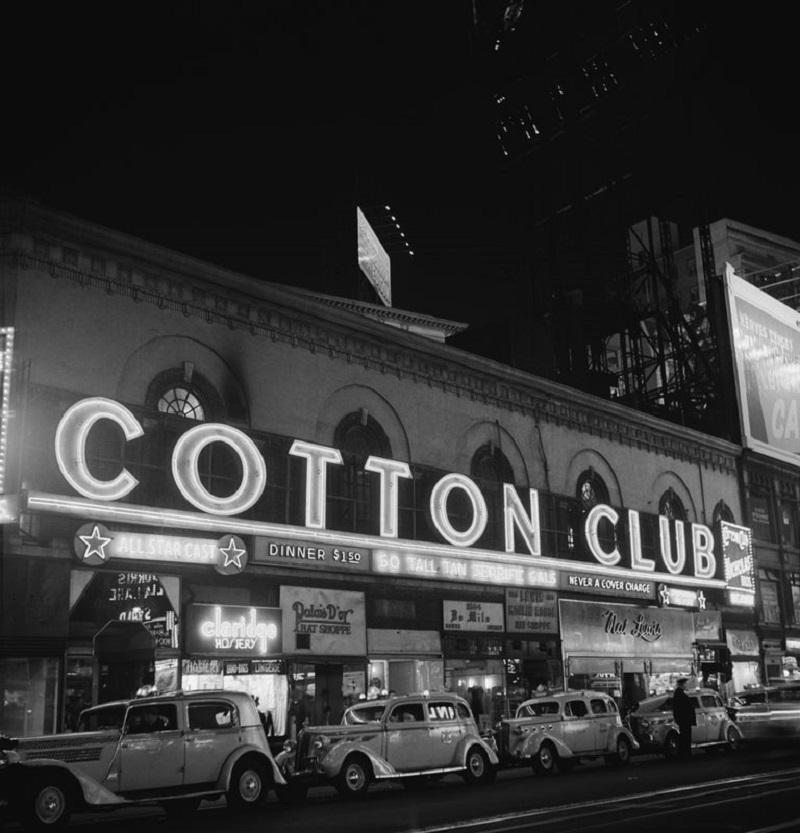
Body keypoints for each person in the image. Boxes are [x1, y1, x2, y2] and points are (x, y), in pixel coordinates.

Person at [672, 678, 696, 759]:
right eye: (686, 684)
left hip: (683, 719)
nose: (687, 685)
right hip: (685, 719)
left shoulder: (678, 694)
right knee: (686, 737)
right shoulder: (681, 695)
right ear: (682, 684)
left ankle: (684, 753)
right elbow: (684, 708)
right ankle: (685, 753)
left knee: (684, 736)